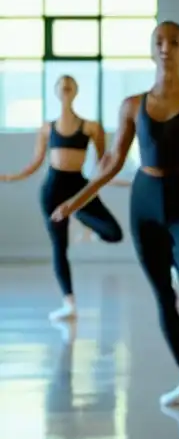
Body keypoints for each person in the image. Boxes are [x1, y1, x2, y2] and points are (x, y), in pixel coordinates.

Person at [51, 21, 179, 407]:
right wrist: (75, 202)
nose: (166, 47)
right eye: (158, 41)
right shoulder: (132, 105)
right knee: (162, 297)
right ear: (151, 50)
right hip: (144, 201)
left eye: (174, 42)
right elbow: (110, 161)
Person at [0, 75, 126, 321]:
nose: (66, 84)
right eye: (61, 83)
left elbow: (103, 166)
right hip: (53, 190)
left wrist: (123, 181)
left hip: (79, 187)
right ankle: (69, 304)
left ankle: (84, 224)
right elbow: (35, 163)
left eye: (70, 82)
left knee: (113, 233)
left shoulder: (91, 127)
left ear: (76, 90)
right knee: (60, 248)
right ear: (57, 91)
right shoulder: (47, 128)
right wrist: (9, 177)